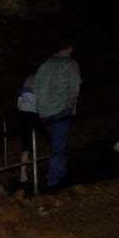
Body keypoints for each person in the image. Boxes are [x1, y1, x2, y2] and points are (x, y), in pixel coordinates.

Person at [33, 40, 80, 189]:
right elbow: (74, 88)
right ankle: (53, 180)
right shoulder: (70, 64)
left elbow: (36, 86)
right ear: (70, 48)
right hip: (60, 109)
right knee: (58, 145)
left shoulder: (45, 64)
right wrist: (71, 105)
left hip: (45, 111)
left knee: (57, 142)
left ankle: (61, 171)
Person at [15, 71, 39, 184]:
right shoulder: (39, 79)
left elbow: (19, 104)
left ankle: (23, 173)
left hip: (22, 115)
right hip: (33, 114)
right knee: (28, 144)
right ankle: (25, 173)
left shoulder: (26, 81)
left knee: (26, 145)